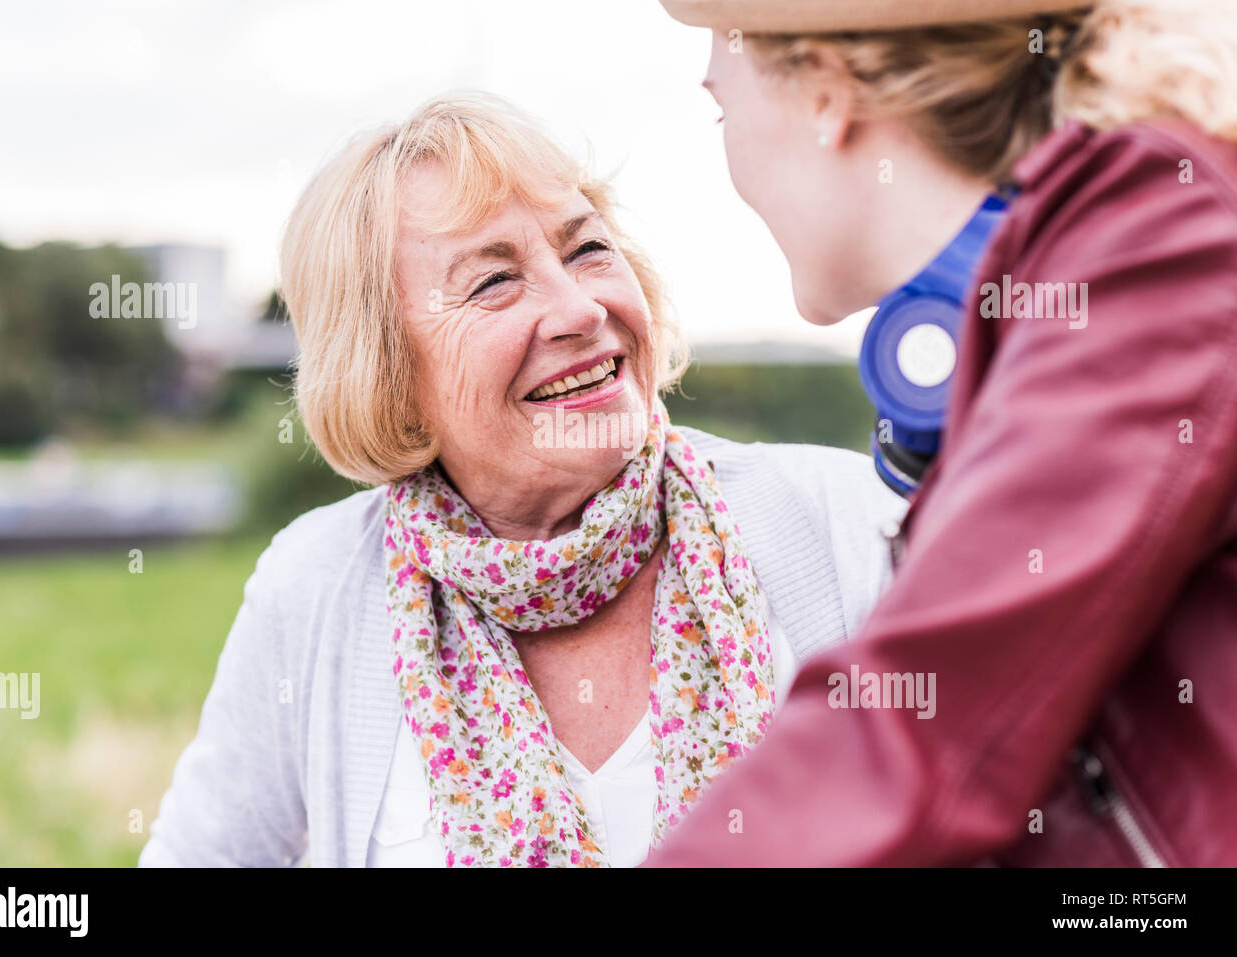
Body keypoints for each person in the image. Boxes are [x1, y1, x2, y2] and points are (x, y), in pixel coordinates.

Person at [138, 92, 905, 868]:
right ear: (388, 369)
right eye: (494, 282)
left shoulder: (846, 524)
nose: (579, 308)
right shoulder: (315, 591)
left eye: (588, 251)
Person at [646, 0, 1237, 866]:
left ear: (826, 90)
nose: (727, 148)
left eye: (721, 110)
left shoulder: (1156, 239)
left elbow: (918, 726)